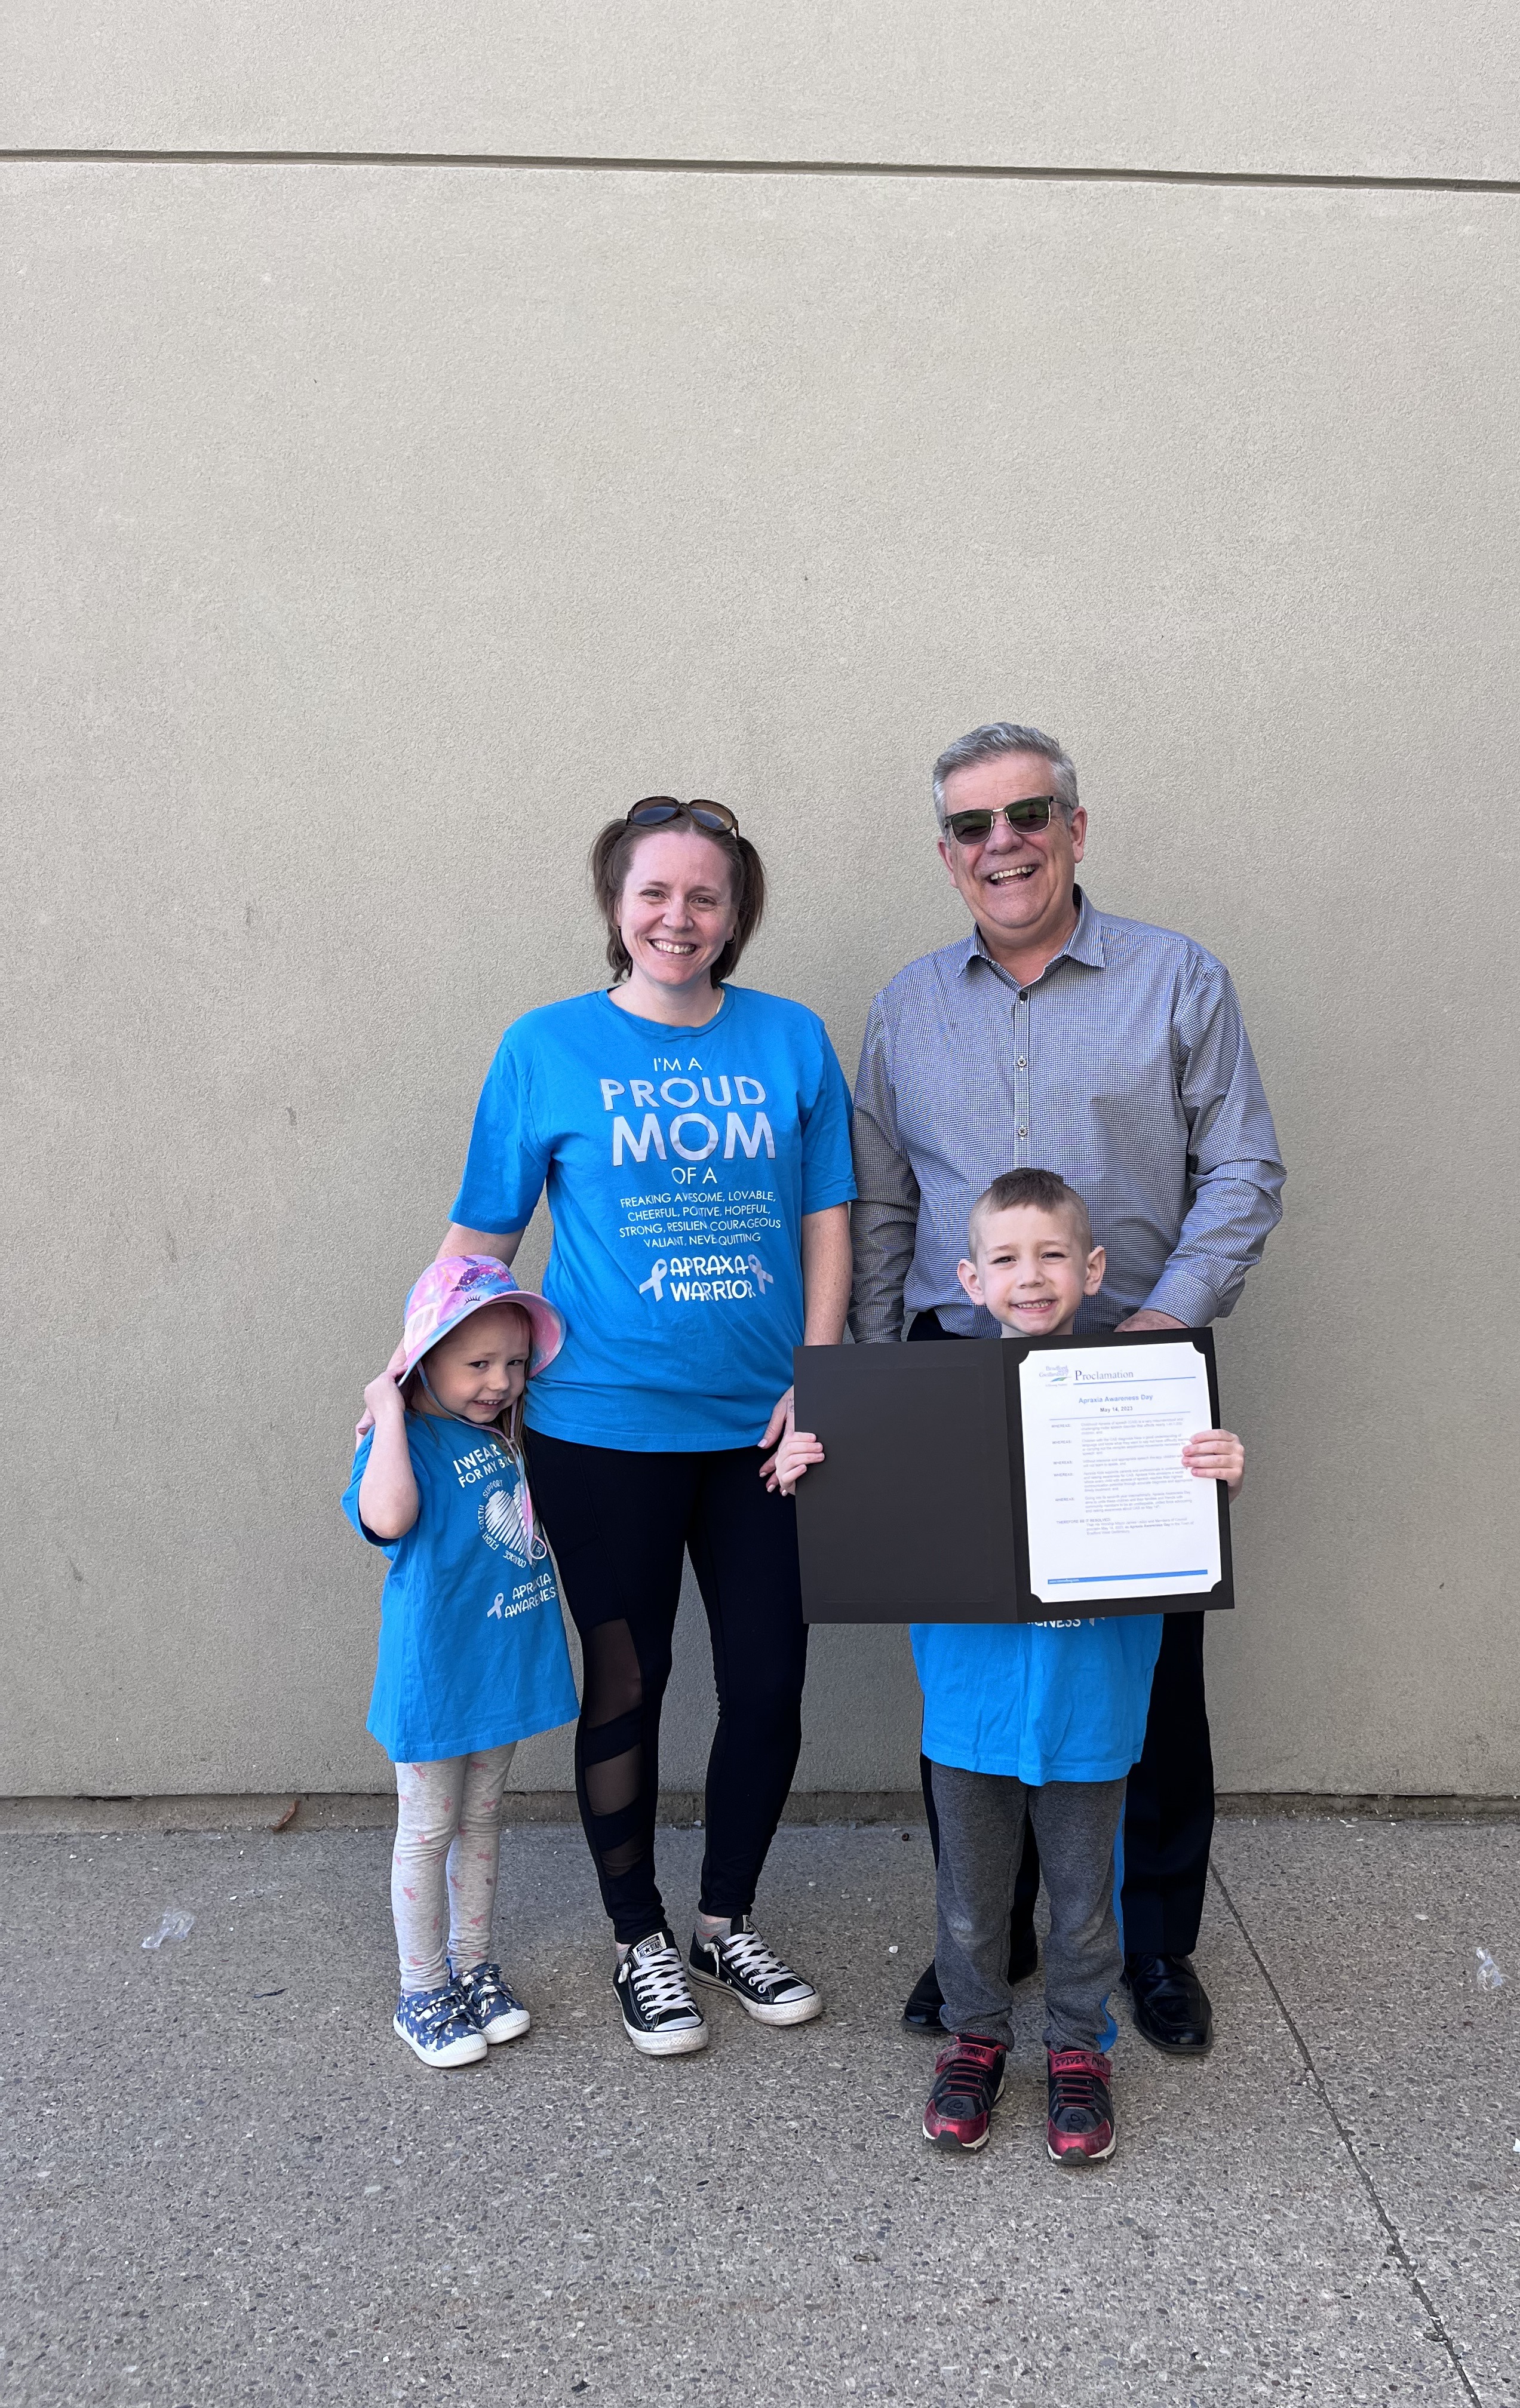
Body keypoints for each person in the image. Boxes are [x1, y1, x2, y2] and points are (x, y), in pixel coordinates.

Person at [853, 724, 1284, 2056]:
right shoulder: (907, 1008)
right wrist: (874, 1395)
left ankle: (1154, 1945)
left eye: (1028, 814)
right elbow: (879, 1203)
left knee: (1144, 1679)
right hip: (952, 1379)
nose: (1004, 843)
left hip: (1127, 1375)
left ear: (1076, 828)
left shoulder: (1177, 981)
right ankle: (991, 1936)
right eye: (974, 827)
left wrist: (1156, 1336)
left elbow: (1245, 1172)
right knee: (975, 1679)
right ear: (946, 855)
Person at [437, 798, 856, 2057]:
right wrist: (411, 1383)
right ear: (618, 907)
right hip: (601, 1432)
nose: (680, 918)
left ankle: (726, 1923)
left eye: (706, 897)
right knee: (629, 1684)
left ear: (737, 916)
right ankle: (640, 1941)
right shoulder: (545, 1048)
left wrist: (821, 1376)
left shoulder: (791, 1039)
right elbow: (482, 1240)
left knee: (770, 1688)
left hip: (763, 1439)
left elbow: (829, 1215)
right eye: (655, 894)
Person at [775, 1169, 1246, 2161]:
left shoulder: (1144, 1393)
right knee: (971, 1902)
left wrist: (1216, 1474)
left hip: (1094, 1707)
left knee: (1082, 1906)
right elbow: (866, 1505)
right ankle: (975, 2039)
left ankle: (1080, 2051)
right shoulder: (917, 1402)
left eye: (1052, 1255)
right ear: (969, 1278)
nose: (1030, 1277)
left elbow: (1182, 1527)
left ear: (1094, 1267)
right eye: (1005, 1260)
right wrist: (819, 1471)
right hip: (971, 1708)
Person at [346, 1255, 578, 2069]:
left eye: (513, 1363)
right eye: (477, 1363)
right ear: (425, 1359)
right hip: (437, 1680)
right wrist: (387, 1405)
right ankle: (422, 1991)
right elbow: (388, 1517)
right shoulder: (401, 1443)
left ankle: (474, 1968)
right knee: (428, 1830)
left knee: (482, 1823)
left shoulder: (497, 1437)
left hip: (498, 1670)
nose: (500, 1381)